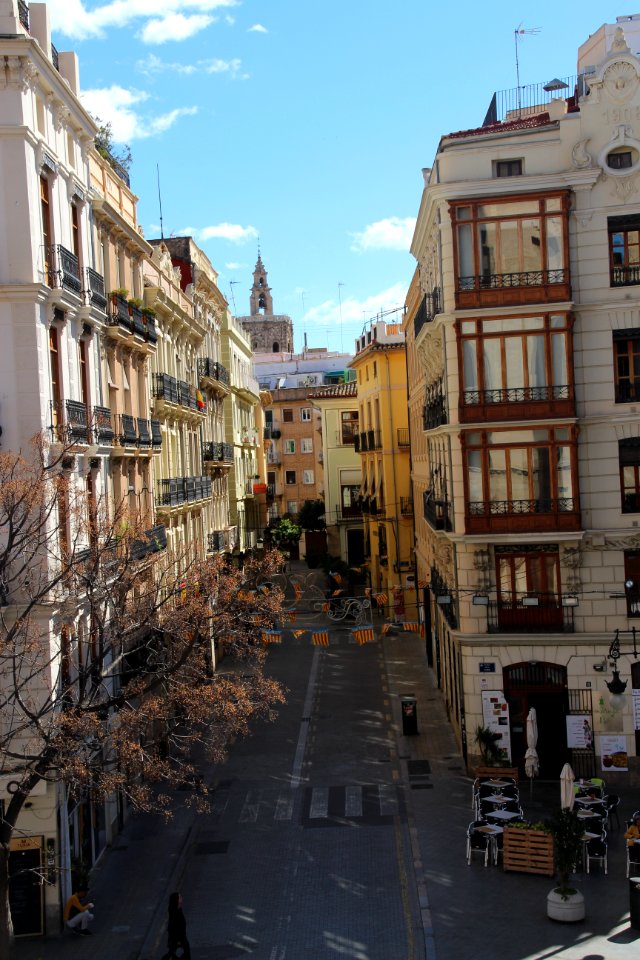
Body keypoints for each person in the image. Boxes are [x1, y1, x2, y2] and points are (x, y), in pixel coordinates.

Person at [161, 892, 191, 960]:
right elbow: (171, 928)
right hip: (179, 941)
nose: (181, 898)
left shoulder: (178, 909)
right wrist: (178, 941)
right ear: (176, 900)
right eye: (179, 897)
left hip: (181, 939)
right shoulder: (175, 912)